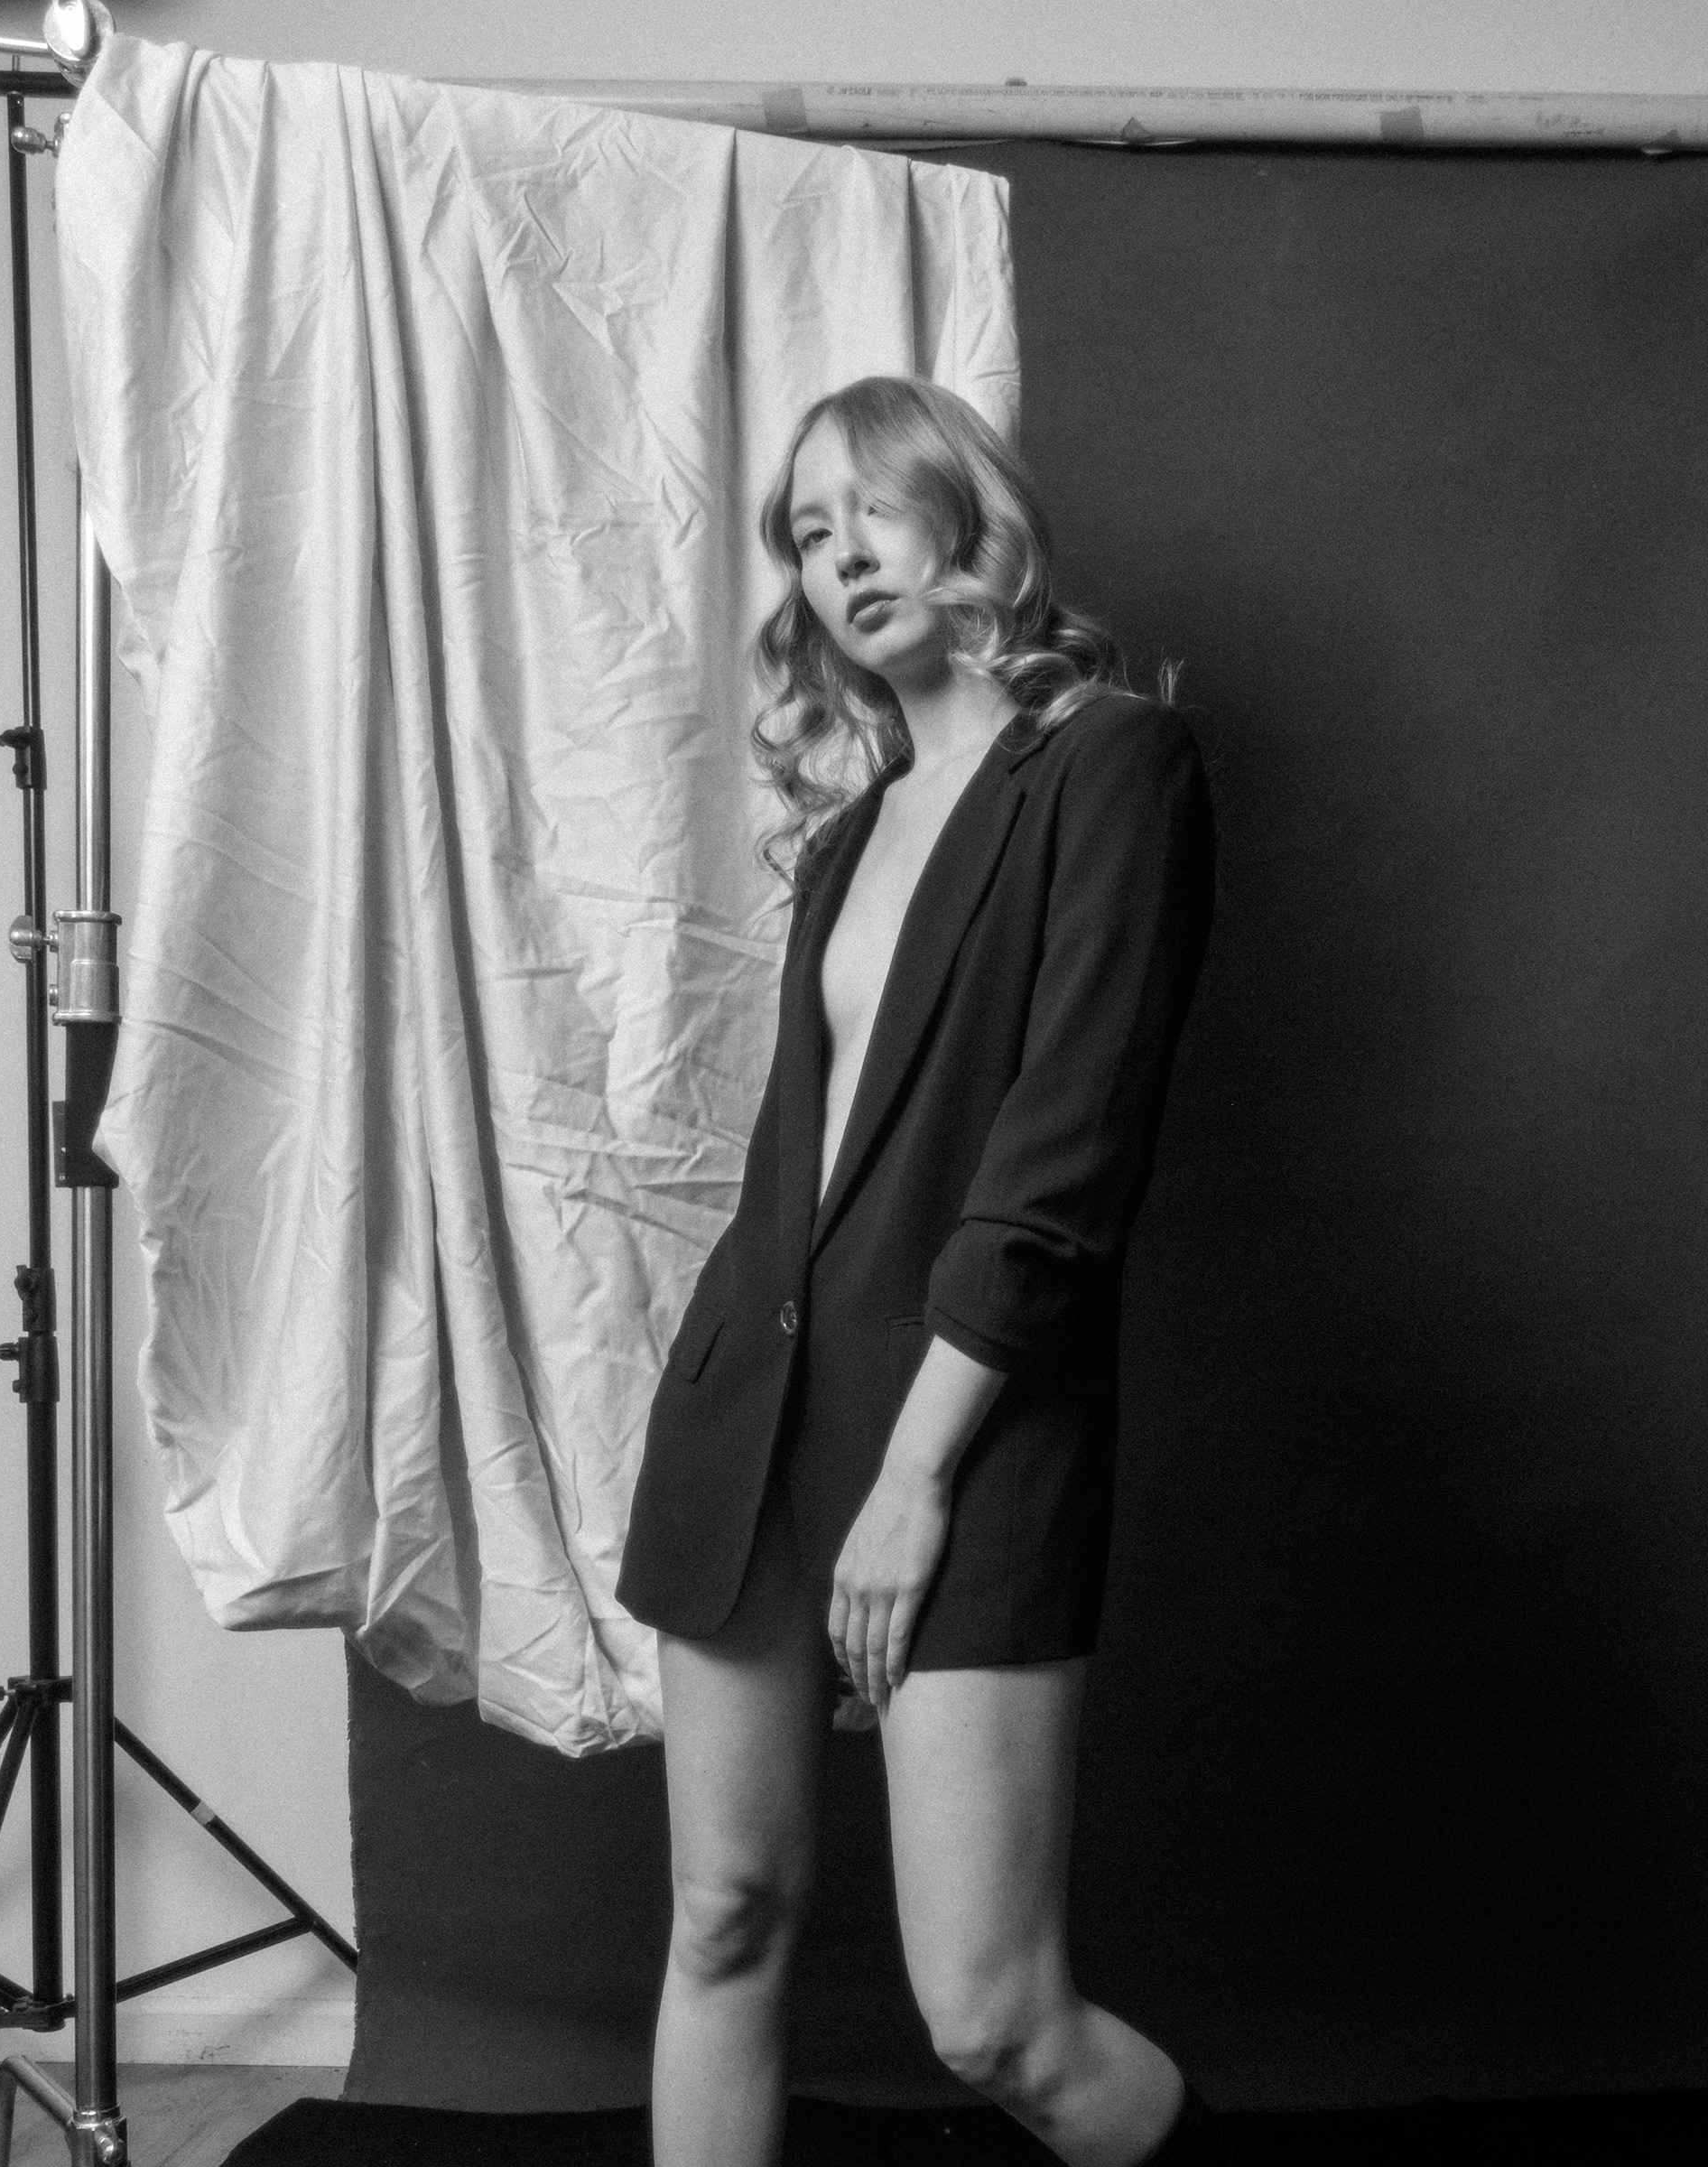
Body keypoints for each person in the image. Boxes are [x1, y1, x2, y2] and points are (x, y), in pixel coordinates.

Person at [616, 376, 1220, 2167]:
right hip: (752, 1421)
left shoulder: (1111, 764)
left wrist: (916, 1479)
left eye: (871, 507)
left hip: (965, 1425)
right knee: (722, 1920)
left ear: (966, 513)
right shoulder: (851, 830)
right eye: (809, 534)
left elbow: (1064, 1161)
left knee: (993, 2018)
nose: (841, 556)